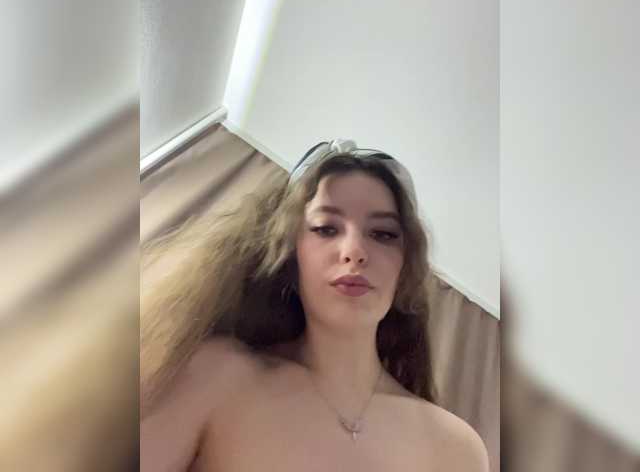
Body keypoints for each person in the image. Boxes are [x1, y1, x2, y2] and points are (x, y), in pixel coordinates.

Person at [140, 139, 490, 471]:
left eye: (383, 233)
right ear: (291, 254)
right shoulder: (216, 378)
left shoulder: (454, 447)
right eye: (326, 228)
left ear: (405, 266)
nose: (355, 251)